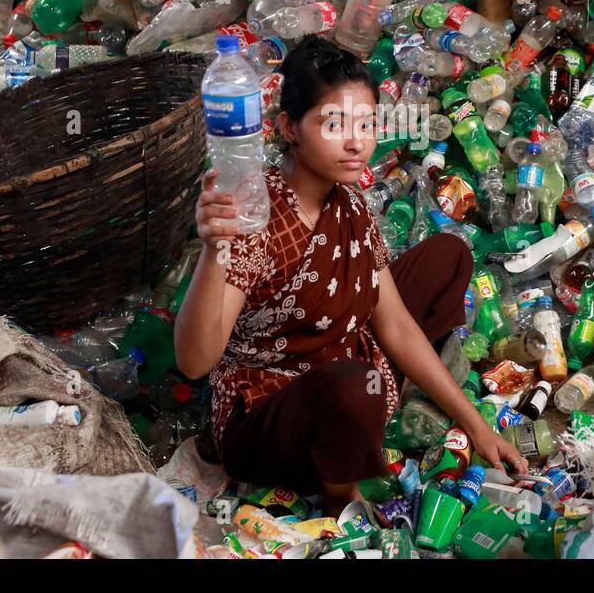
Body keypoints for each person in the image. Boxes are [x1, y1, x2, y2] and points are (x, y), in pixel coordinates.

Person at [176, 36, 527, 516]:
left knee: (448, 255)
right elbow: (194, 363)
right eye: (334, 124)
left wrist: (477, 428)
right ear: (289, 128)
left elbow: (396, 324)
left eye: (366, 124)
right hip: (271, 417)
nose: (356, 141)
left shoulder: (351, 205)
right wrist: (215, 248)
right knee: (354, 385)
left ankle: (362, 420)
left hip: (348, 369)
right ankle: (340, 493)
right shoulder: (256, 216)